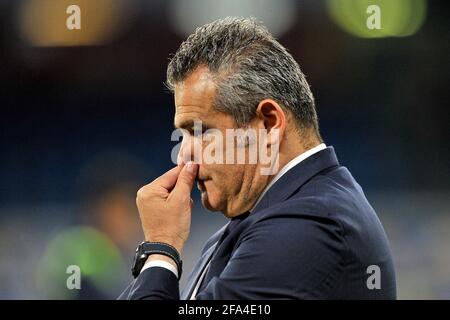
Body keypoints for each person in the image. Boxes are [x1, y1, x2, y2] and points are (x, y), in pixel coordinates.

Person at [118, 17, 396, 300]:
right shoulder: (261, 223)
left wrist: (161, 248)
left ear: (268, 123)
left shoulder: (308, 228)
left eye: (200, 131)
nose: (183, 153)